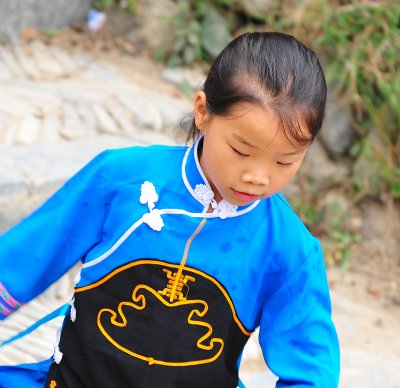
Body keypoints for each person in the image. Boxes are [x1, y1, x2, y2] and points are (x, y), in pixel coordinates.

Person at [0, 31, 340, 387]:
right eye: (241, 150)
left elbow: (312, 371)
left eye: (284, 162)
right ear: (202, 112)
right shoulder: (119, 180)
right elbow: (23, 260)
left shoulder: (289, 249)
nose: (258, 177)